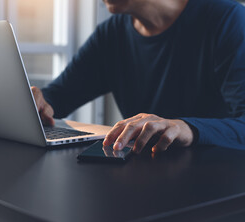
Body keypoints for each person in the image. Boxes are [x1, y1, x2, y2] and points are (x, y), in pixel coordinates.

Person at [31, 0, 245, 153]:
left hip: (216, 187)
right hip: (144, 180)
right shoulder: (111, 34)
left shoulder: (228, 19)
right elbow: (58, 97)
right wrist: (37, 101)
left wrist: (186, 128)